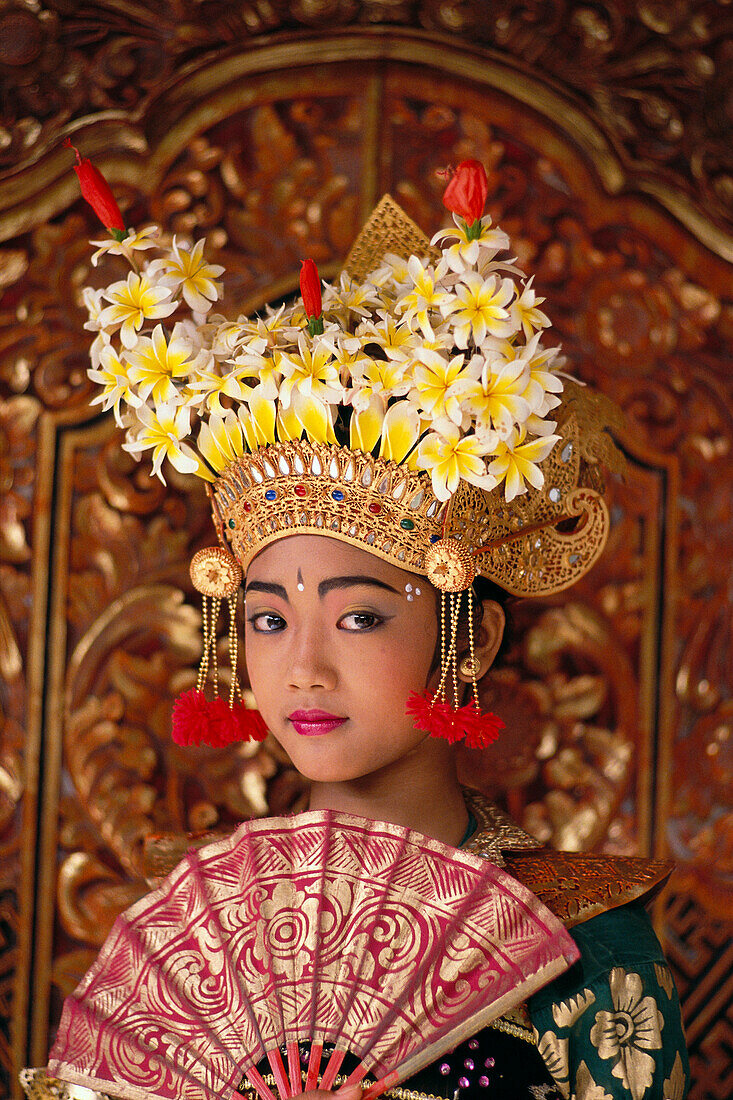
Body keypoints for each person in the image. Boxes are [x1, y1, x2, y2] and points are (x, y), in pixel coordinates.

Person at [22, 158, 689, 1100]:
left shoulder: (586, 946)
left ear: (476, 639)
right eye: (265, 620)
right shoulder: (186, 932)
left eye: (360, 616)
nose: (302, 669)